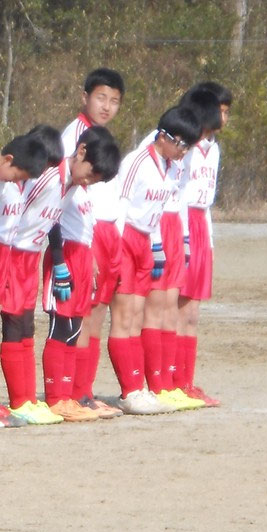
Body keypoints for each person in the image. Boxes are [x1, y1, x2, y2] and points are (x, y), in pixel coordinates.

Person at [109, 105, 201, 414]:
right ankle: (129, 390)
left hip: (146, 241)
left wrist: (157, 246)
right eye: (183, 145)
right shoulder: (137, 162)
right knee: (124, 316)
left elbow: (159, 210)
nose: (184, 153)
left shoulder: (171, 166)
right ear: (166, 137)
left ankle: (140, 387)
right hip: (125, 239)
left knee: (136, 317)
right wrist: (116, 251)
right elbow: (119, 204)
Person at [0, 126, 66, 426]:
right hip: (7, 253)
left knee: (25, 324)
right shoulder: (9, 179)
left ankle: (26, 397)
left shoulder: (25, 179)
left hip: (25, 254)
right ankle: (9, 399)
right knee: (5, 324)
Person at [39, 126, 122, 422]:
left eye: (96, 179)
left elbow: (83, 225)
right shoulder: (57, 177)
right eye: (90, 174)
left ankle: (69, 395)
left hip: (82, 258)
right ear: (82, 151)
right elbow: (50, 220)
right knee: (60, 327)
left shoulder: (79, 186)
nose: (89, 180)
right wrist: (60, 263)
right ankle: (55, 397)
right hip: (65, 258)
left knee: (74, 329)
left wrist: (91, 262)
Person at [59, 68, 126, 411]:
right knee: (83, 315)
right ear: (84, 97)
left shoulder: (103, 136)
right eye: (101, 97)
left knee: (97, 314)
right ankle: (72, 392)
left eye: (114, 101)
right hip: (86, 233)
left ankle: (84, 390)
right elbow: (71, 192)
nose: (107, 106)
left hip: (107, 231)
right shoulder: (76, 136)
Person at [175, 82, 231, 407]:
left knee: (192, 312)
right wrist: (182, 238)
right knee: (175, 308)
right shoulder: (186, 145)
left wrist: (207, 241)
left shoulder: (214, 148)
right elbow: (177, 194)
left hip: (199, 224)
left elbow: (205, 201)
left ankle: (186, 382)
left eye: (226, 111)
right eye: (220, 110)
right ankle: (167, 381)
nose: (224, 117)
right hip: (181, 223)